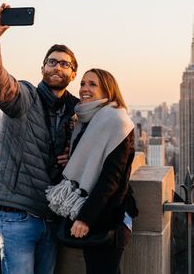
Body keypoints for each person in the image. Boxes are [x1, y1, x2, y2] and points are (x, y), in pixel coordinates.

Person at [0, 3, 79, 274]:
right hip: (17, 216)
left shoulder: (78, 111)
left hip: (52, 218)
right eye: (52, 61)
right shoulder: (25, 97)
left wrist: (75, 154)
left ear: (73, 73)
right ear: (43, 68)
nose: (57, 66)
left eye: (64, 63)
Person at [46, 68, 137, 274]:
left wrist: (85, 218)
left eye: (92, 84)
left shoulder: (116, 122)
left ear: (108, 90)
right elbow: (91, 162)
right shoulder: (86, 122)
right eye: (82, 84)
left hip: (108, 216)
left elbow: (111, 179)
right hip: (93, 210)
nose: (84, 88)